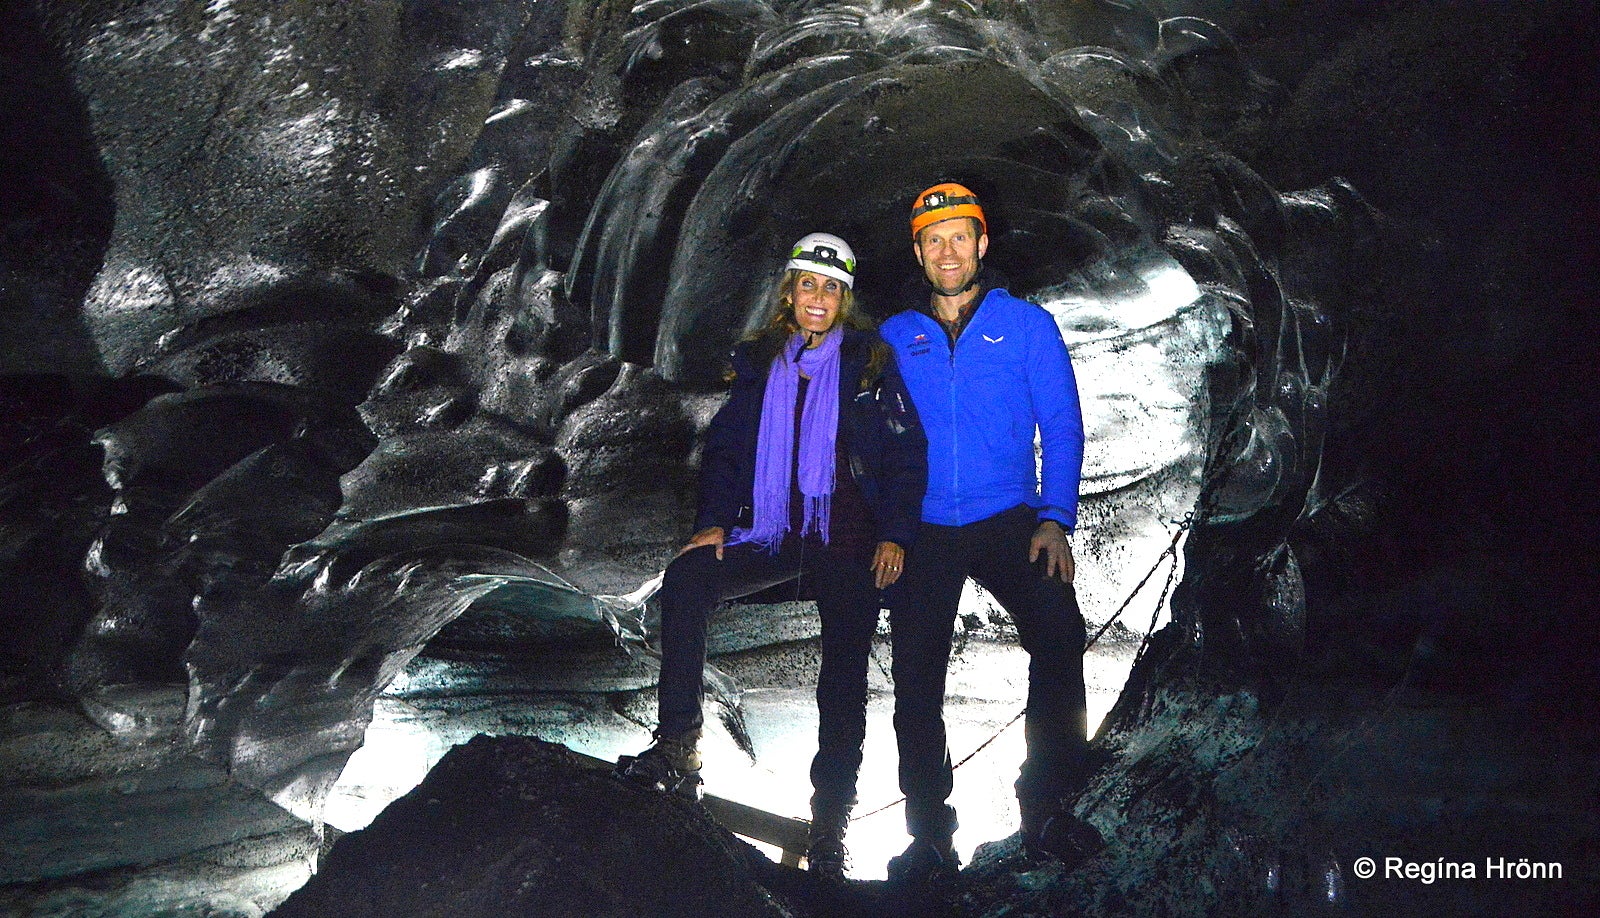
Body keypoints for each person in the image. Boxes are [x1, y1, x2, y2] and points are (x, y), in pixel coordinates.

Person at [616, 233, 927, 881]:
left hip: (851, 532)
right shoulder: (760, 360)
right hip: (781, 529)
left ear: (844, 299)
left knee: (841, 679)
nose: (818, 298)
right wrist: (711, 525)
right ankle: (677, 749)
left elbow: (905, 451)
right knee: (688, 579)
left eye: (831, 288)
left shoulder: (870, 359)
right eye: (808, 285)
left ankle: (831, 825)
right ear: (790, 290)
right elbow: (729, 449)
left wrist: (895, 532)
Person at [877, 183, 1104, 885]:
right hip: (923, 527)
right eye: (933, 239)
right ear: (919, 252)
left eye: (960, 236)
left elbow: (1061, 426)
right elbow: (870, 443)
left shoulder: (1028, 325)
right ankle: (930, 840)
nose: (948, 252)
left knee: (1061, 635)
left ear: (981, 243)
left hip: (1010, 516)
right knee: (915, 681)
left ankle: (1046, 806)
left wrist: (1054, 518)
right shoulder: (893, 337)